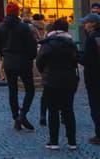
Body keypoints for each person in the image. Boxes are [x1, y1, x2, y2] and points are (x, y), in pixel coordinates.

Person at [0, 1, 38, 131]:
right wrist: (30, 57)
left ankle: (16, 117)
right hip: (23, 61)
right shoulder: (23, 27)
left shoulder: (0, 27)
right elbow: (32, 45)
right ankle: (22, 115)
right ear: (17, 12)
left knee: (12, 91)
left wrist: (4, 55)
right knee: (30, 89)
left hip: (9, 62)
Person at [37, 17, 79, 150]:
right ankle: (72, 142)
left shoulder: (47, 43)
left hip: (51, 80)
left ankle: (54, 141)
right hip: (68, 80)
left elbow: (40, 62)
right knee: (68, 110)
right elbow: (75, 61)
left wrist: (45, 72)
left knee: (53, 111)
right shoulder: (71, 44)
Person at [81, 12, 100, 145]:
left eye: (86, 23)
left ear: (93, 24)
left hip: (94, 76)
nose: (84, 25)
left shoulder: (92, 38)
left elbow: (88, 60)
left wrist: (76, 56)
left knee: (96, 107)